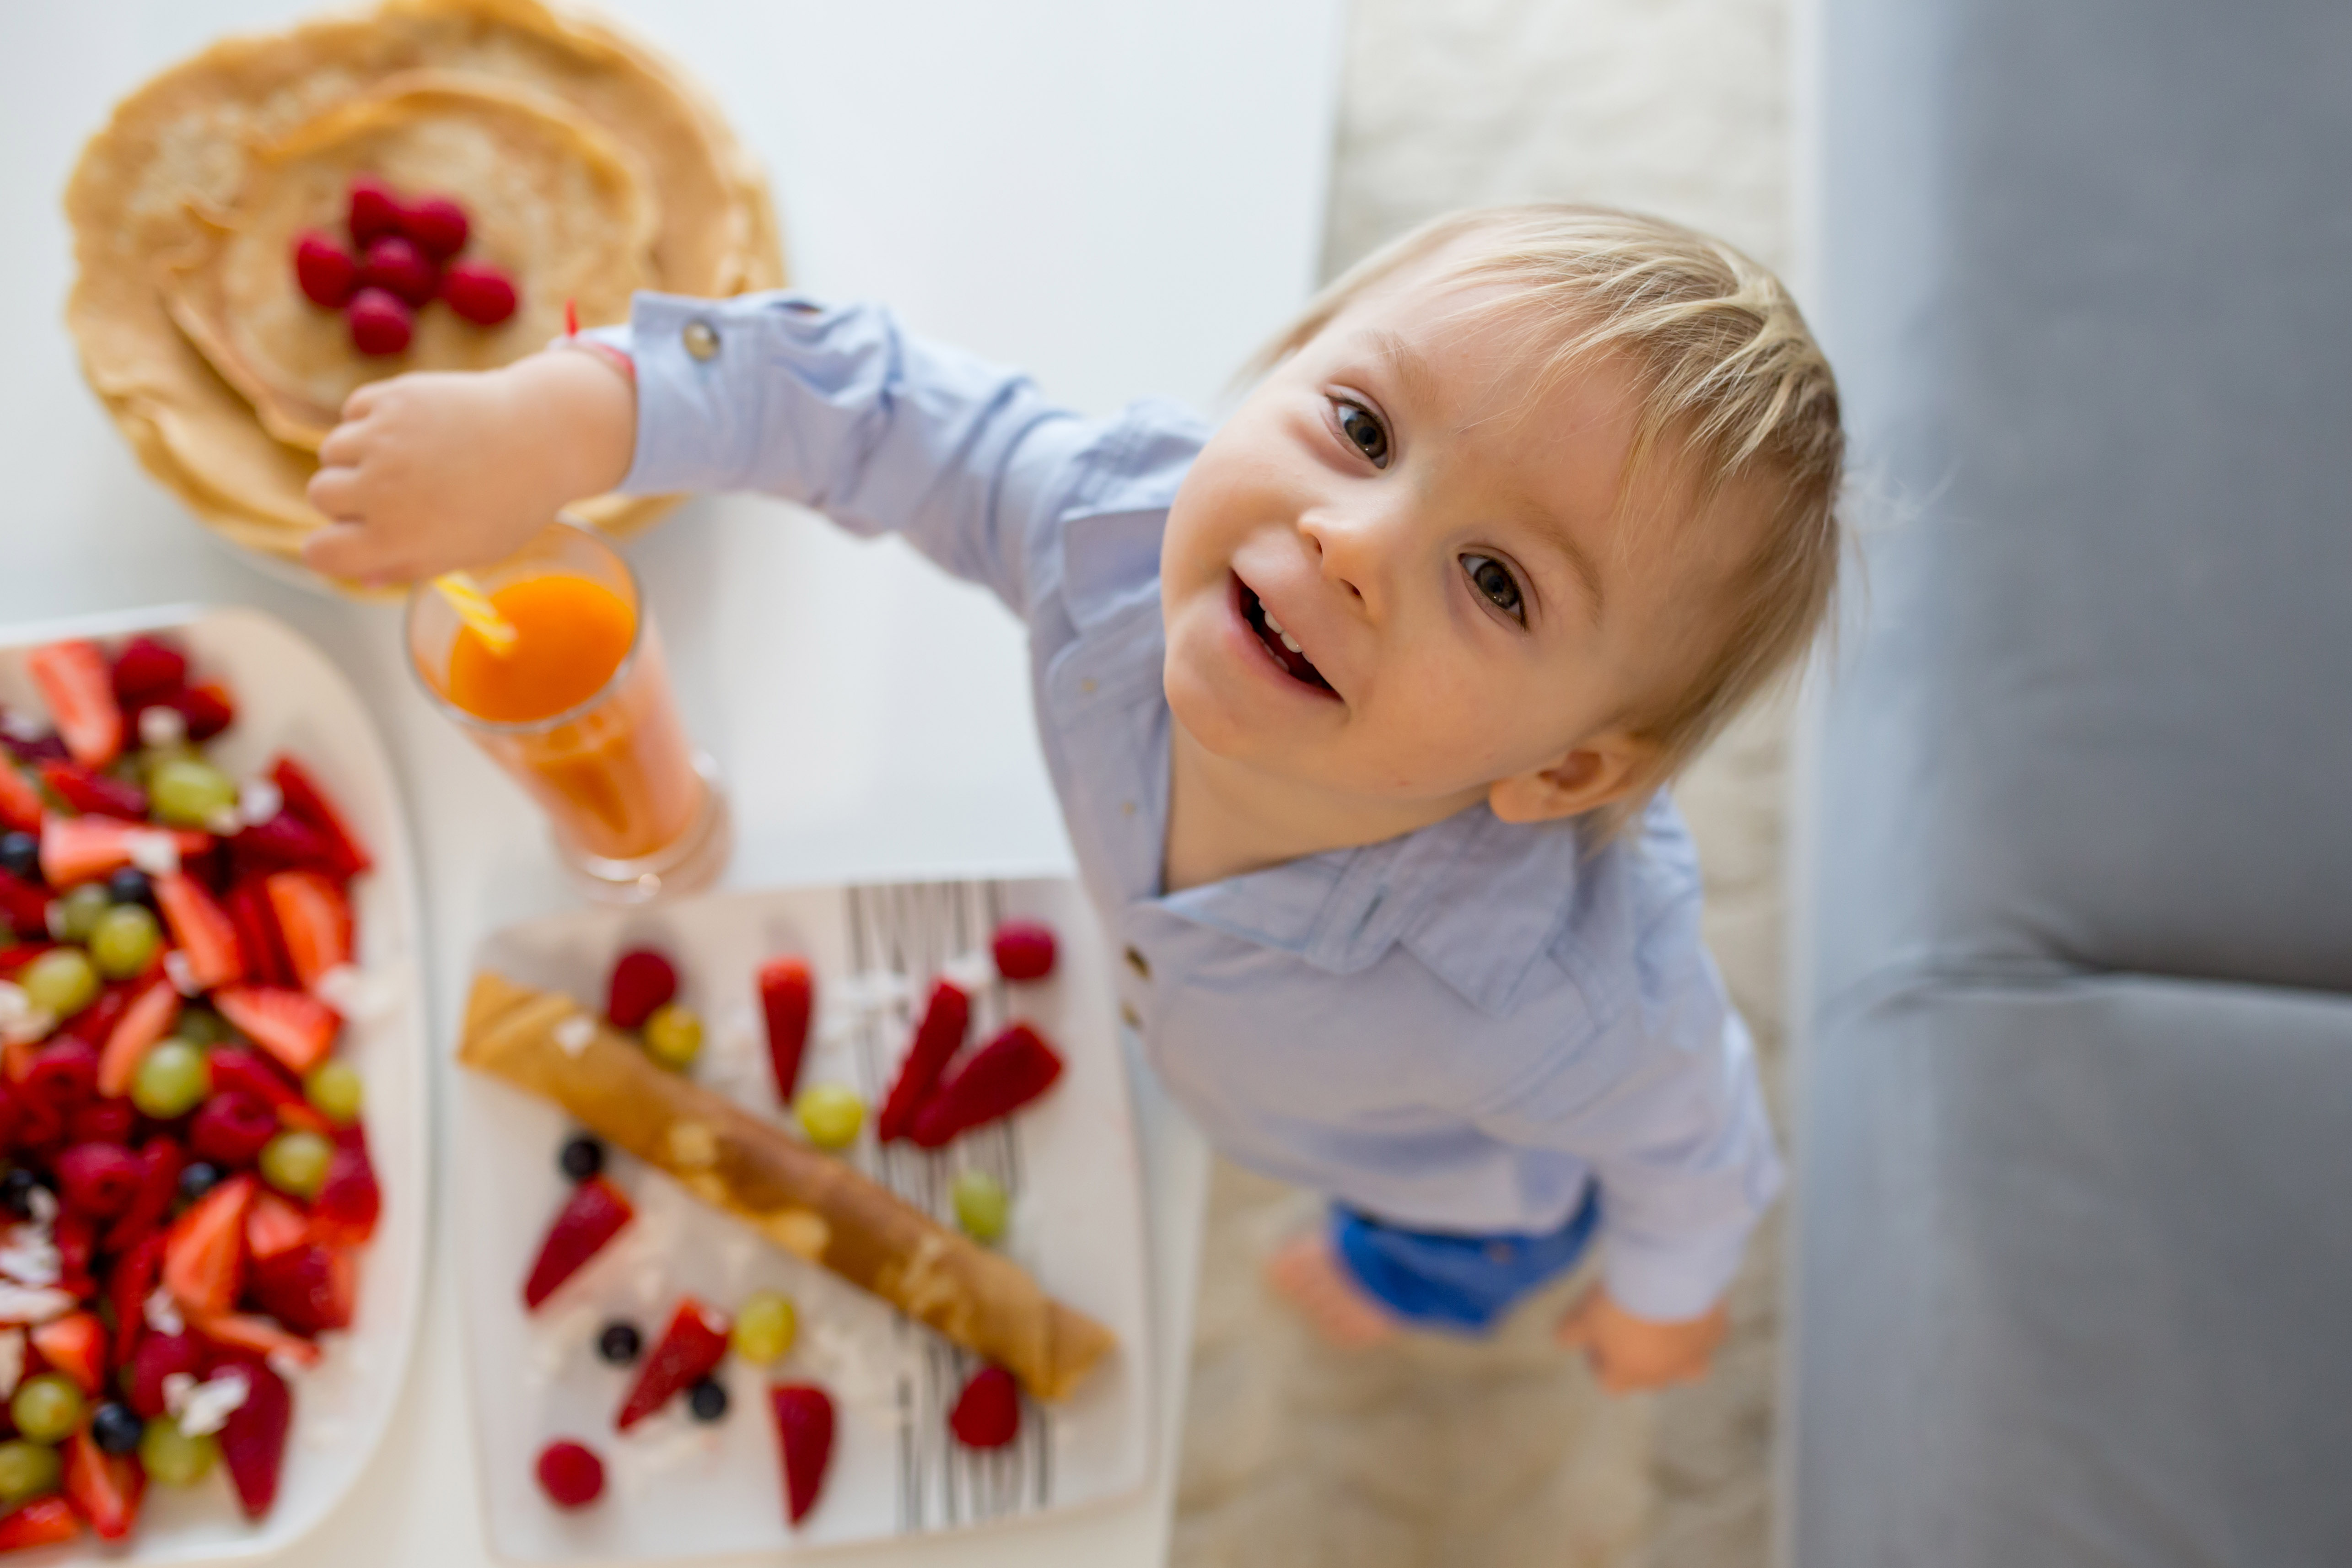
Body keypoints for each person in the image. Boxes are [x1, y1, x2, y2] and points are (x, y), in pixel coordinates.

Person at [305, 204, 1842, 1391]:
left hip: (1444, 1178)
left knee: (1424, 1266)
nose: (1354, 535)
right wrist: (570, 418)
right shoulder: (1102, 529)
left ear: (1565, 770)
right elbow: (865, 404)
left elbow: (1694, 1144)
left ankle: (1397, 1287)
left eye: (1496, 580)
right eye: (1363, 427)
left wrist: (1663, 1296)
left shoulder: (1561, 1004)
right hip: (1227, 1040)